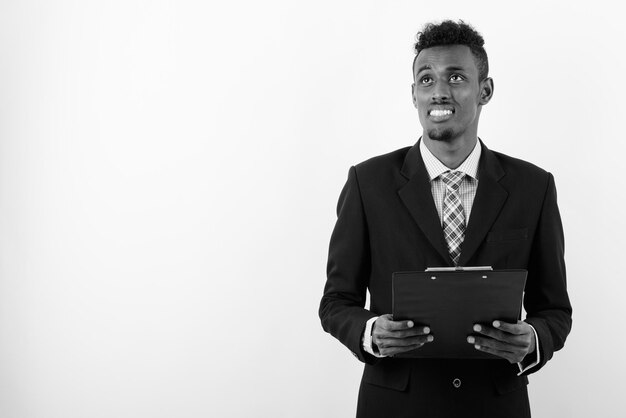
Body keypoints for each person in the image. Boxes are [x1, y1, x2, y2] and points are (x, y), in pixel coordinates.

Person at [319, 20, 572, 418]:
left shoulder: (533, 187)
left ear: (485, 90)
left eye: (456, 77)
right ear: (413, 94)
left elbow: (555, 311)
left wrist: (532, 339)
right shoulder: (368, 183)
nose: (438, 91)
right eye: (426, 79)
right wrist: (371, 333)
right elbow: (336, 302)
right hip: (396, 403)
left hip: (495, 404)